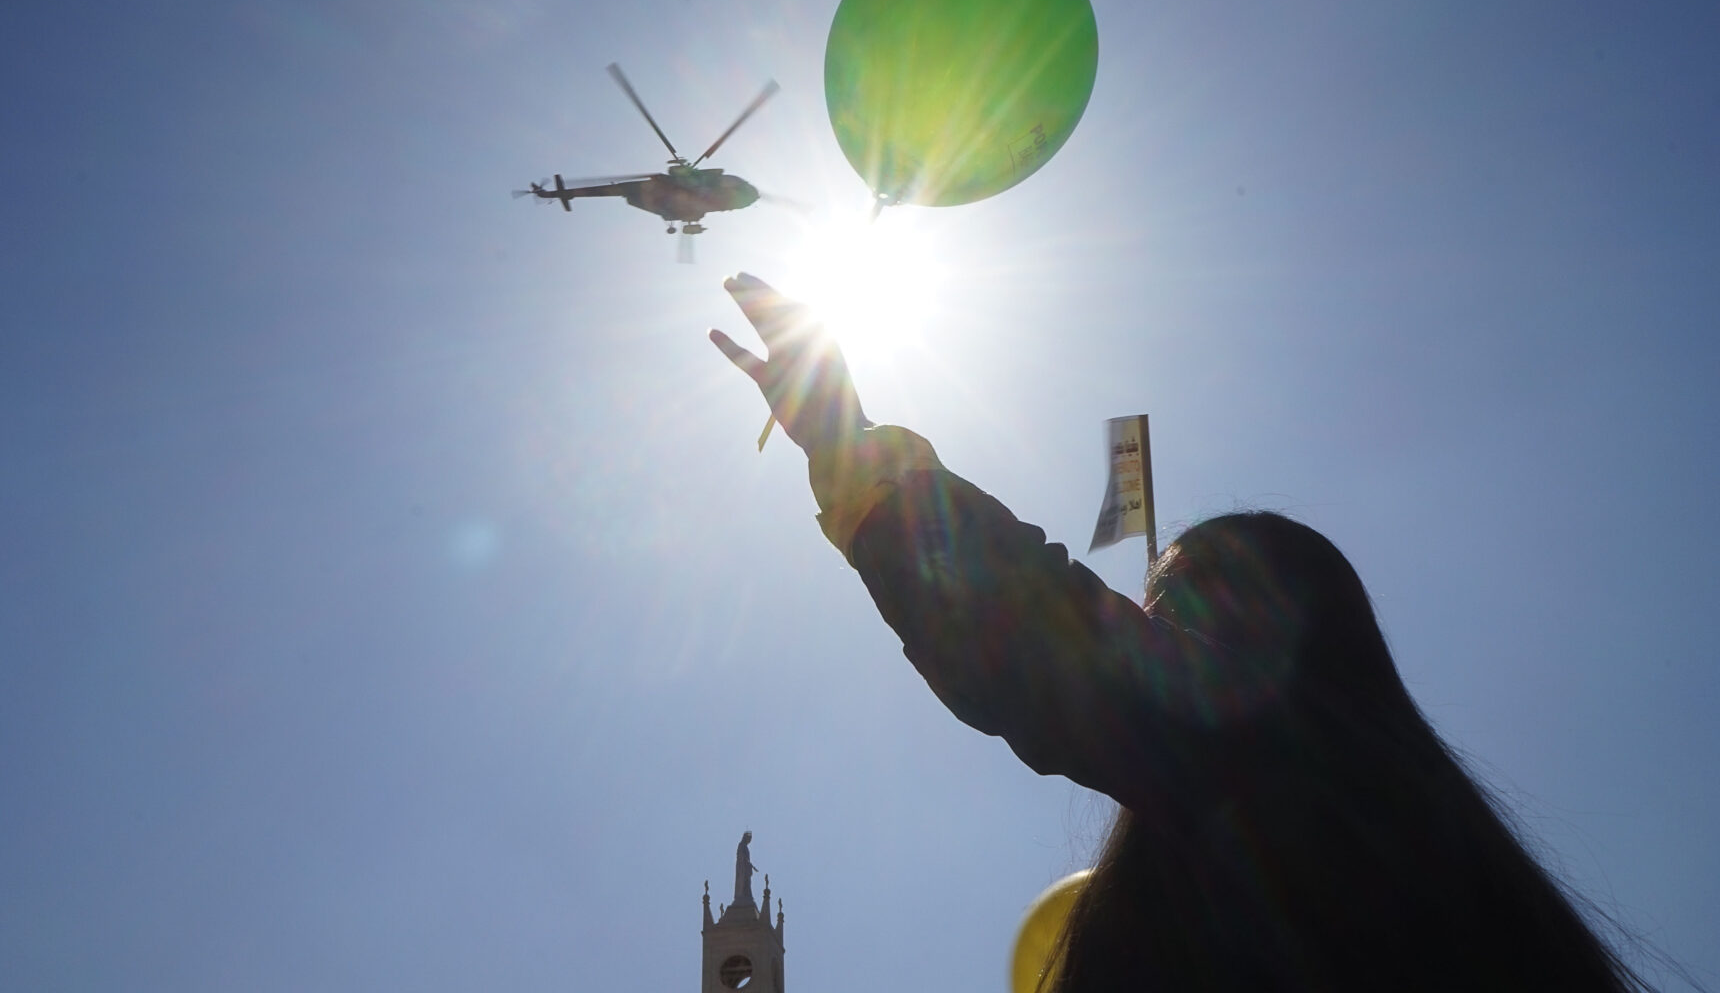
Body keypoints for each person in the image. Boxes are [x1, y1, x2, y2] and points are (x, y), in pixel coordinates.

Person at [709, 273, 1655, 991]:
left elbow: (1046, 642)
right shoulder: (1450, 852)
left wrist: (859, 462)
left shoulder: (1287, 773)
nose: (1150, 643)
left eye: (1170, 620)